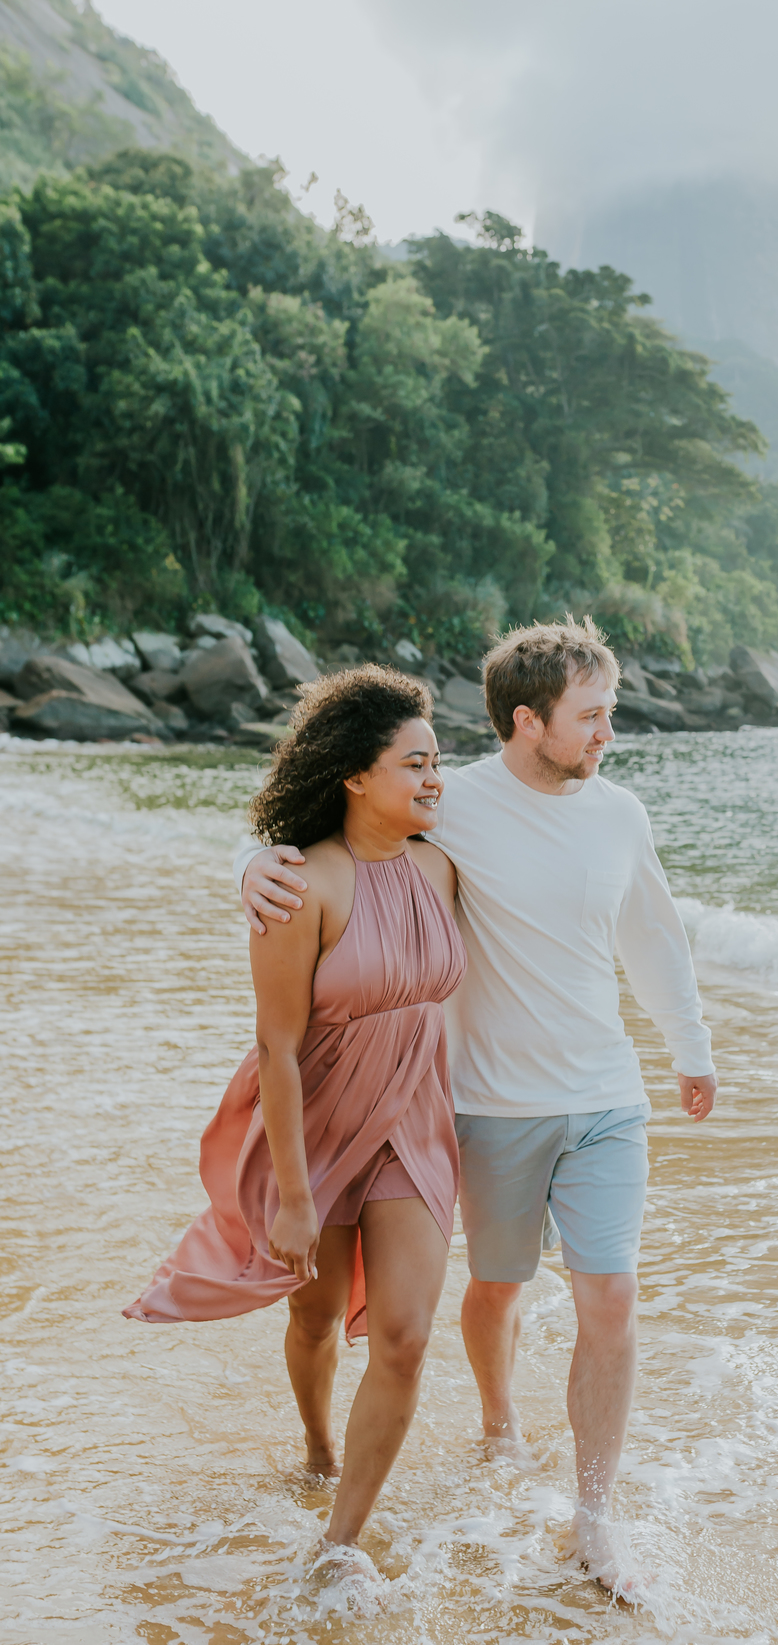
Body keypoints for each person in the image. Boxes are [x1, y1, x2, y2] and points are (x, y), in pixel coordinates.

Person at [239, 618, 717, 1594]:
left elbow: (654, 932)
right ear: (526, 720)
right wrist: (252, 866)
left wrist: (690, 1046)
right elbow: (338, 830)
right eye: (592, 716)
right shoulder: (453, 810)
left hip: (590, 1098)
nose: (609, 734)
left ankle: (588, 1515)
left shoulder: (617, 814)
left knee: (600, 1298)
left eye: (610, 713)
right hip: (484, 1108)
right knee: (453, 1296)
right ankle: (456, 1427)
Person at [126, 667, 464, 1580]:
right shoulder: (296, 885)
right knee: (314, 1317)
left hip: (416, 1117)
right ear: (356, 775)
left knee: (403, 1333)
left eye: (439, 761)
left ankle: (339, 1544)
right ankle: (317, 1445)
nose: (437, 779)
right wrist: (295, 1195)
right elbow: (275, 1047)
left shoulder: (445, 860)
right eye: (417, 763)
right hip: (319, 1121)